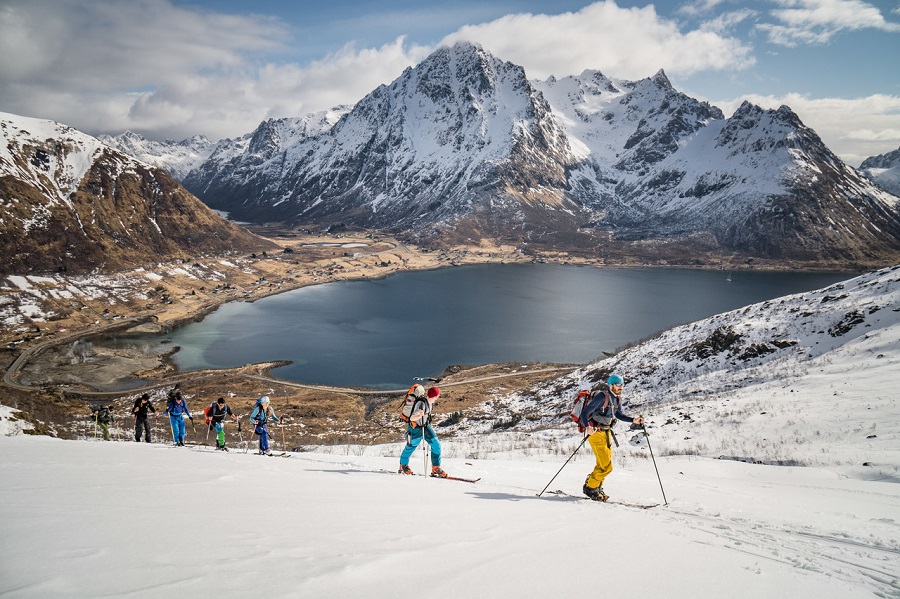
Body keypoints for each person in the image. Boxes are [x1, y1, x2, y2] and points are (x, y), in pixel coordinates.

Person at [580, 374, 644, 501]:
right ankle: (590, 487)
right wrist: (588, 427)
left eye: (622, 385)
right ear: (611, 385)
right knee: (607, 466)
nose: (621, 387)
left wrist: (633, 420)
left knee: (602, 463)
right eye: (618, 385)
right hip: (596, 433)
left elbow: (618, 414)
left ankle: (596, 487)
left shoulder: (617, 399)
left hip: (606, 432)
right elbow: (585, 413)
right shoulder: (602, 397)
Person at [398, 385, 447, 478]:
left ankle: (435, 467)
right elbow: (411, 418)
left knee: (436, 444)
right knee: (410, 447)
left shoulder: (429, 403)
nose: (438, 397)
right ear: (435, 396)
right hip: (415, 428)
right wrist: (419, 416)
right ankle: (403, 465)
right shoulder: (421, 404)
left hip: (425, 426)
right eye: (437, 395)